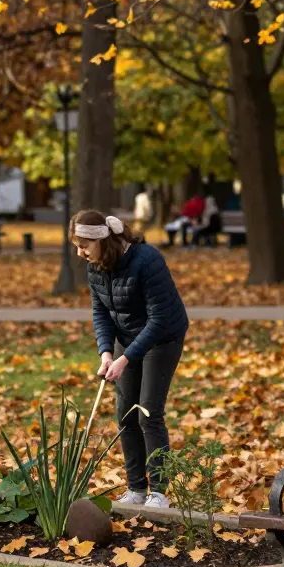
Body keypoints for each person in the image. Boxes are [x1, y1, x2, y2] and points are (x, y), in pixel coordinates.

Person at [72, 210, 188, 508]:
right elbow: (101, 312)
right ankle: (136, 488)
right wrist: (107, 353)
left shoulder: (147, 260)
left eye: (84, 245)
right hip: (128, 339)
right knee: (125, 413)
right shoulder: (96, 267)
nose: (79, 252)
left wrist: (125, 360)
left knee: (147, 411)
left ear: (102, 241)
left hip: (162, 337)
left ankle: (159, 492)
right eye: (76, 245)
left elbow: (159, 319)